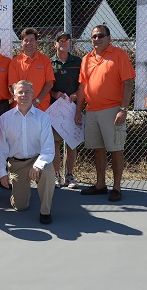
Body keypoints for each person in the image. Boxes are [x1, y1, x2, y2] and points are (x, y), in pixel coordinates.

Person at [75, 25, 135, 202]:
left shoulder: (119, 55)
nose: (96, 39)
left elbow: (128, 83)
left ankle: (116, 187)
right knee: (98, 149)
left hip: (113, 110)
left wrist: (123, 110)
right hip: (92, 111)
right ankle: (100, 185)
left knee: (116, 149)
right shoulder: (86, 59)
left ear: (109, 38)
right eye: (93, 36)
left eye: (100, 36)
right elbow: (83, 86)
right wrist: (79, 110)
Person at [0, 80, 55, 224]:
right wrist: (2, 173)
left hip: (37, 160)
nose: (24, 95)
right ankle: (21, 192)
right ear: (14, 96)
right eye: (20, 92)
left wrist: (38, 165)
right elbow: (1, 148)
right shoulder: (5, 119)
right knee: (20, 206)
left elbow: (48, 148)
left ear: (33, 94)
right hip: (17, 164)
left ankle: (45, 211)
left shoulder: (43, 118)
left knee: (47, 171)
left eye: (27, 92)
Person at [50, 31, 81, 189]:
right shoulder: (49, 62)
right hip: (55, 110)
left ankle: (69, 176)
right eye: (60, 40)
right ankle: (57, 176)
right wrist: (55, 94)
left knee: (71, 143)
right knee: (55, 143)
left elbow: (83, 84)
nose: (63, 42)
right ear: (55, 43)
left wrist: (76, 95)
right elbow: (45, 85)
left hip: (72, 108)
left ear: (70, 43)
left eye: (66, 40)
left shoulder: (78, 61)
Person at [8, 28, 55, 111]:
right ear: (22, 43)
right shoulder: (14, 62)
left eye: (32, 40)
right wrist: (23, 101)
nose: (29, 43)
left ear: (36, 42)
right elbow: (13, 85)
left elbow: (49, 83)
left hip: (41, 107)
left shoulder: (45, 60)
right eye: (26, 40)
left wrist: (37, 100)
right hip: (21, 108)